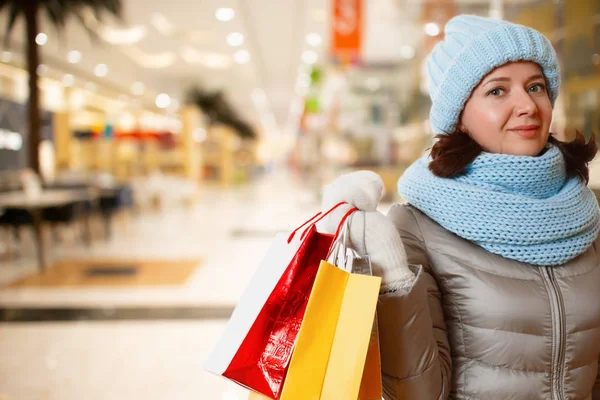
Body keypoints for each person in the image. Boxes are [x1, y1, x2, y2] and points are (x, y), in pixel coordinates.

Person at [319, 15, 600, 399]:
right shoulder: (418, 224)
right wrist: (394, 279)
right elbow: (419, 393)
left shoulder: (586, 211)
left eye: (535, 86)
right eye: (497, 92)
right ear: (459, 117)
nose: (527, 106)